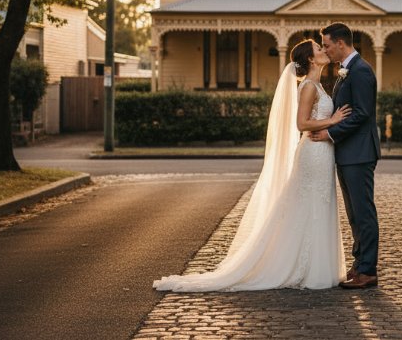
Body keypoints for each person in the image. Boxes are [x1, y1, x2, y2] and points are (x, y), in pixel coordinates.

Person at [153, 39, 350, 291]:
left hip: (322, 152)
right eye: (319, 49)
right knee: (311, 203)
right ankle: (303, 267)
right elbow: (301, 124)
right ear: (311, 59)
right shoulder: (309, 87)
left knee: (317, 204)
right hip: (313, 153)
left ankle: (316, 264)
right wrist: (332, 120)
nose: (324, 51)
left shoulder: (318, 85)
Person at [309, 22, 381, 290]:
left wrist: (330, 134)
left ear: (341, 43)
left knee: (364, 212)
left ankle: (368, 270)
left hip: (359, 153)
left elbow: (362, 114)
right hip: (347, 153)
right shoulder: (345, 72)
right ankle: (359, 263)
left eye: (327, 45)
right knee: (354, 214)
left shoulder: (361, 71)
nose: (325, 50)